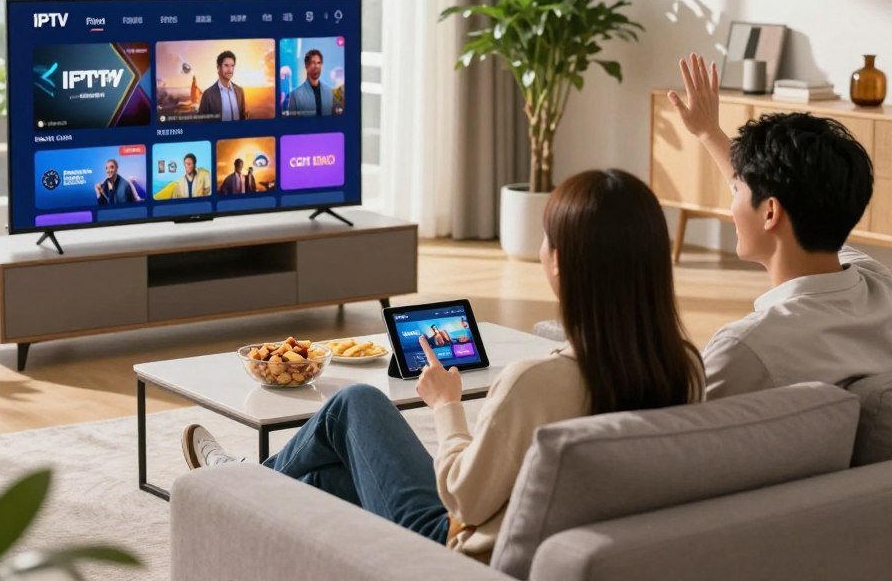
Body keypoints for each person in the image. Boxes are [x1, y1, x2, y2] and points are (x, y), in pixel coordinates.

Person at [181, 169, 703, 562]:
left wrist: (447, 406)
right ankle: (242, 487)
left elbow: (462, 499)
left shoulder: (536, 383)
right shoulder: (683, 367)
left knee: (355, 404)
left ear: (560, 262)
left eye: (546, 237)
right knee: (327, 475)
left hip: (456, 551)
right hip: (551, 542)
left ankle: (232, 483)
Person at [668, 52, 892, 398]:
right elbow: (786, 200)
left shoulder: (746, 349)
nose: (733, 203)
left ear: (771, 212)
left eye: (738, 190)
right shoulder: (880, 284)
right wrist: (709, 132)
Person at [198, 50, 247, 121]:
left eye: (232, 65)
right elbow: (201, 121)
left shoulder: (240, 91)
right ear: (218, 68)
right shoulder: (208, 94)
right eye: (226, 65)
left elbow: (243, 116)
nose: (230, 69)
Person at [286, 49, 333, 116]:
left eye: (319, 63)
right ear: (306, 66)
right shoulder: (295, 95)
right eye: (313, 63)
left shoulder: (329, 92)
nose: (316, 66)